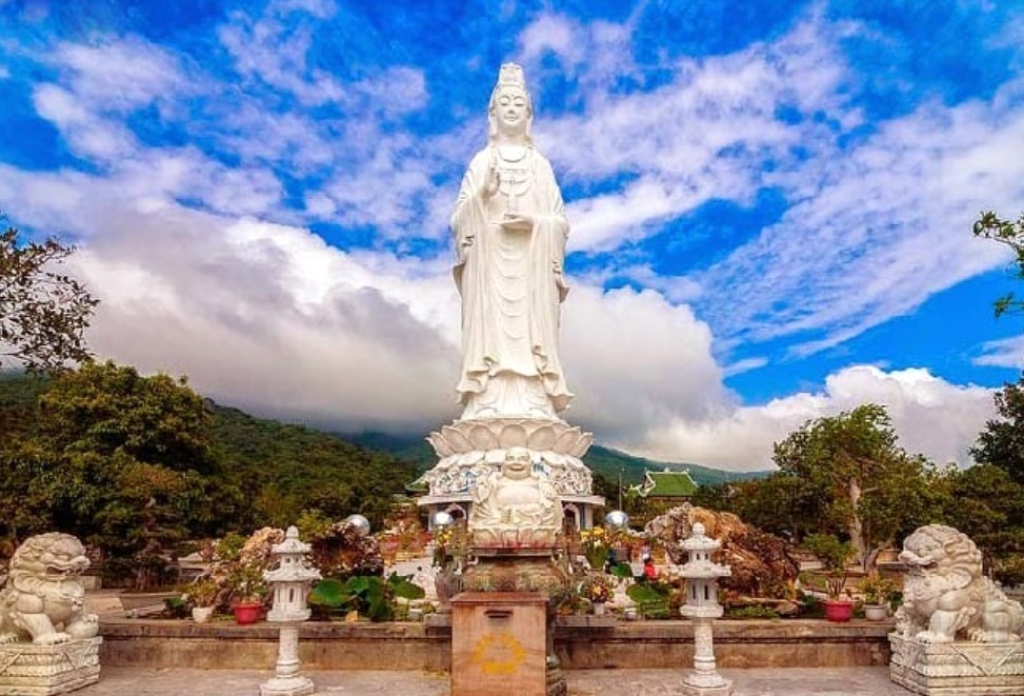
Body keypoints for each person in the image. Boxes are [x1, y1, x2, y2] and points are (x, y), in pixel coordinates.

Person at [451, 63, 572, 421]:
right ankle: (486, 397)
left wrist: (535, 223)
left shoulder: (540, 166)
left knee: (532, 335)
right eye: (504, 102)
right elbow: (457, 221)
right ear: (492, 113)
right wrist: (482, 196)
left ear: (529, 114)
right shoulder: (482, 162)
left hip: (531, 269)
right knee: (491, 335)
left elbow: (560, 223)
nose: (512, 108)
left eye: (519, 103)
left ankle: (535, 398)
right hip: (489, 266)